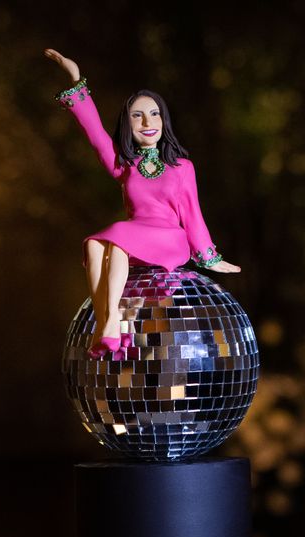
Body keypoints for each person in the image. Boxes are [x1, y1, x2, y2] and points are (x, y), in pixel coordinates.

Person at [45, 49, 241, 358]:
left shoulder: (181, 167)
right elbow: (95, 134)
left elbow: (192, 213)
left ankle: (109, 325)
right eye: (137, 115)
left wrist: (209, 256)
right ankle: (107, 325)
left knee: (116, 240)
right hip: (134, 236)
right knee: (95, 245)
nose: (147, 121)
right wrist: (75, 79)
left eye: (154, 114)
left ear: (163, 120)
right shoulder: (127, 165)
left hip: (169, 239)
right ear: (128, 124)